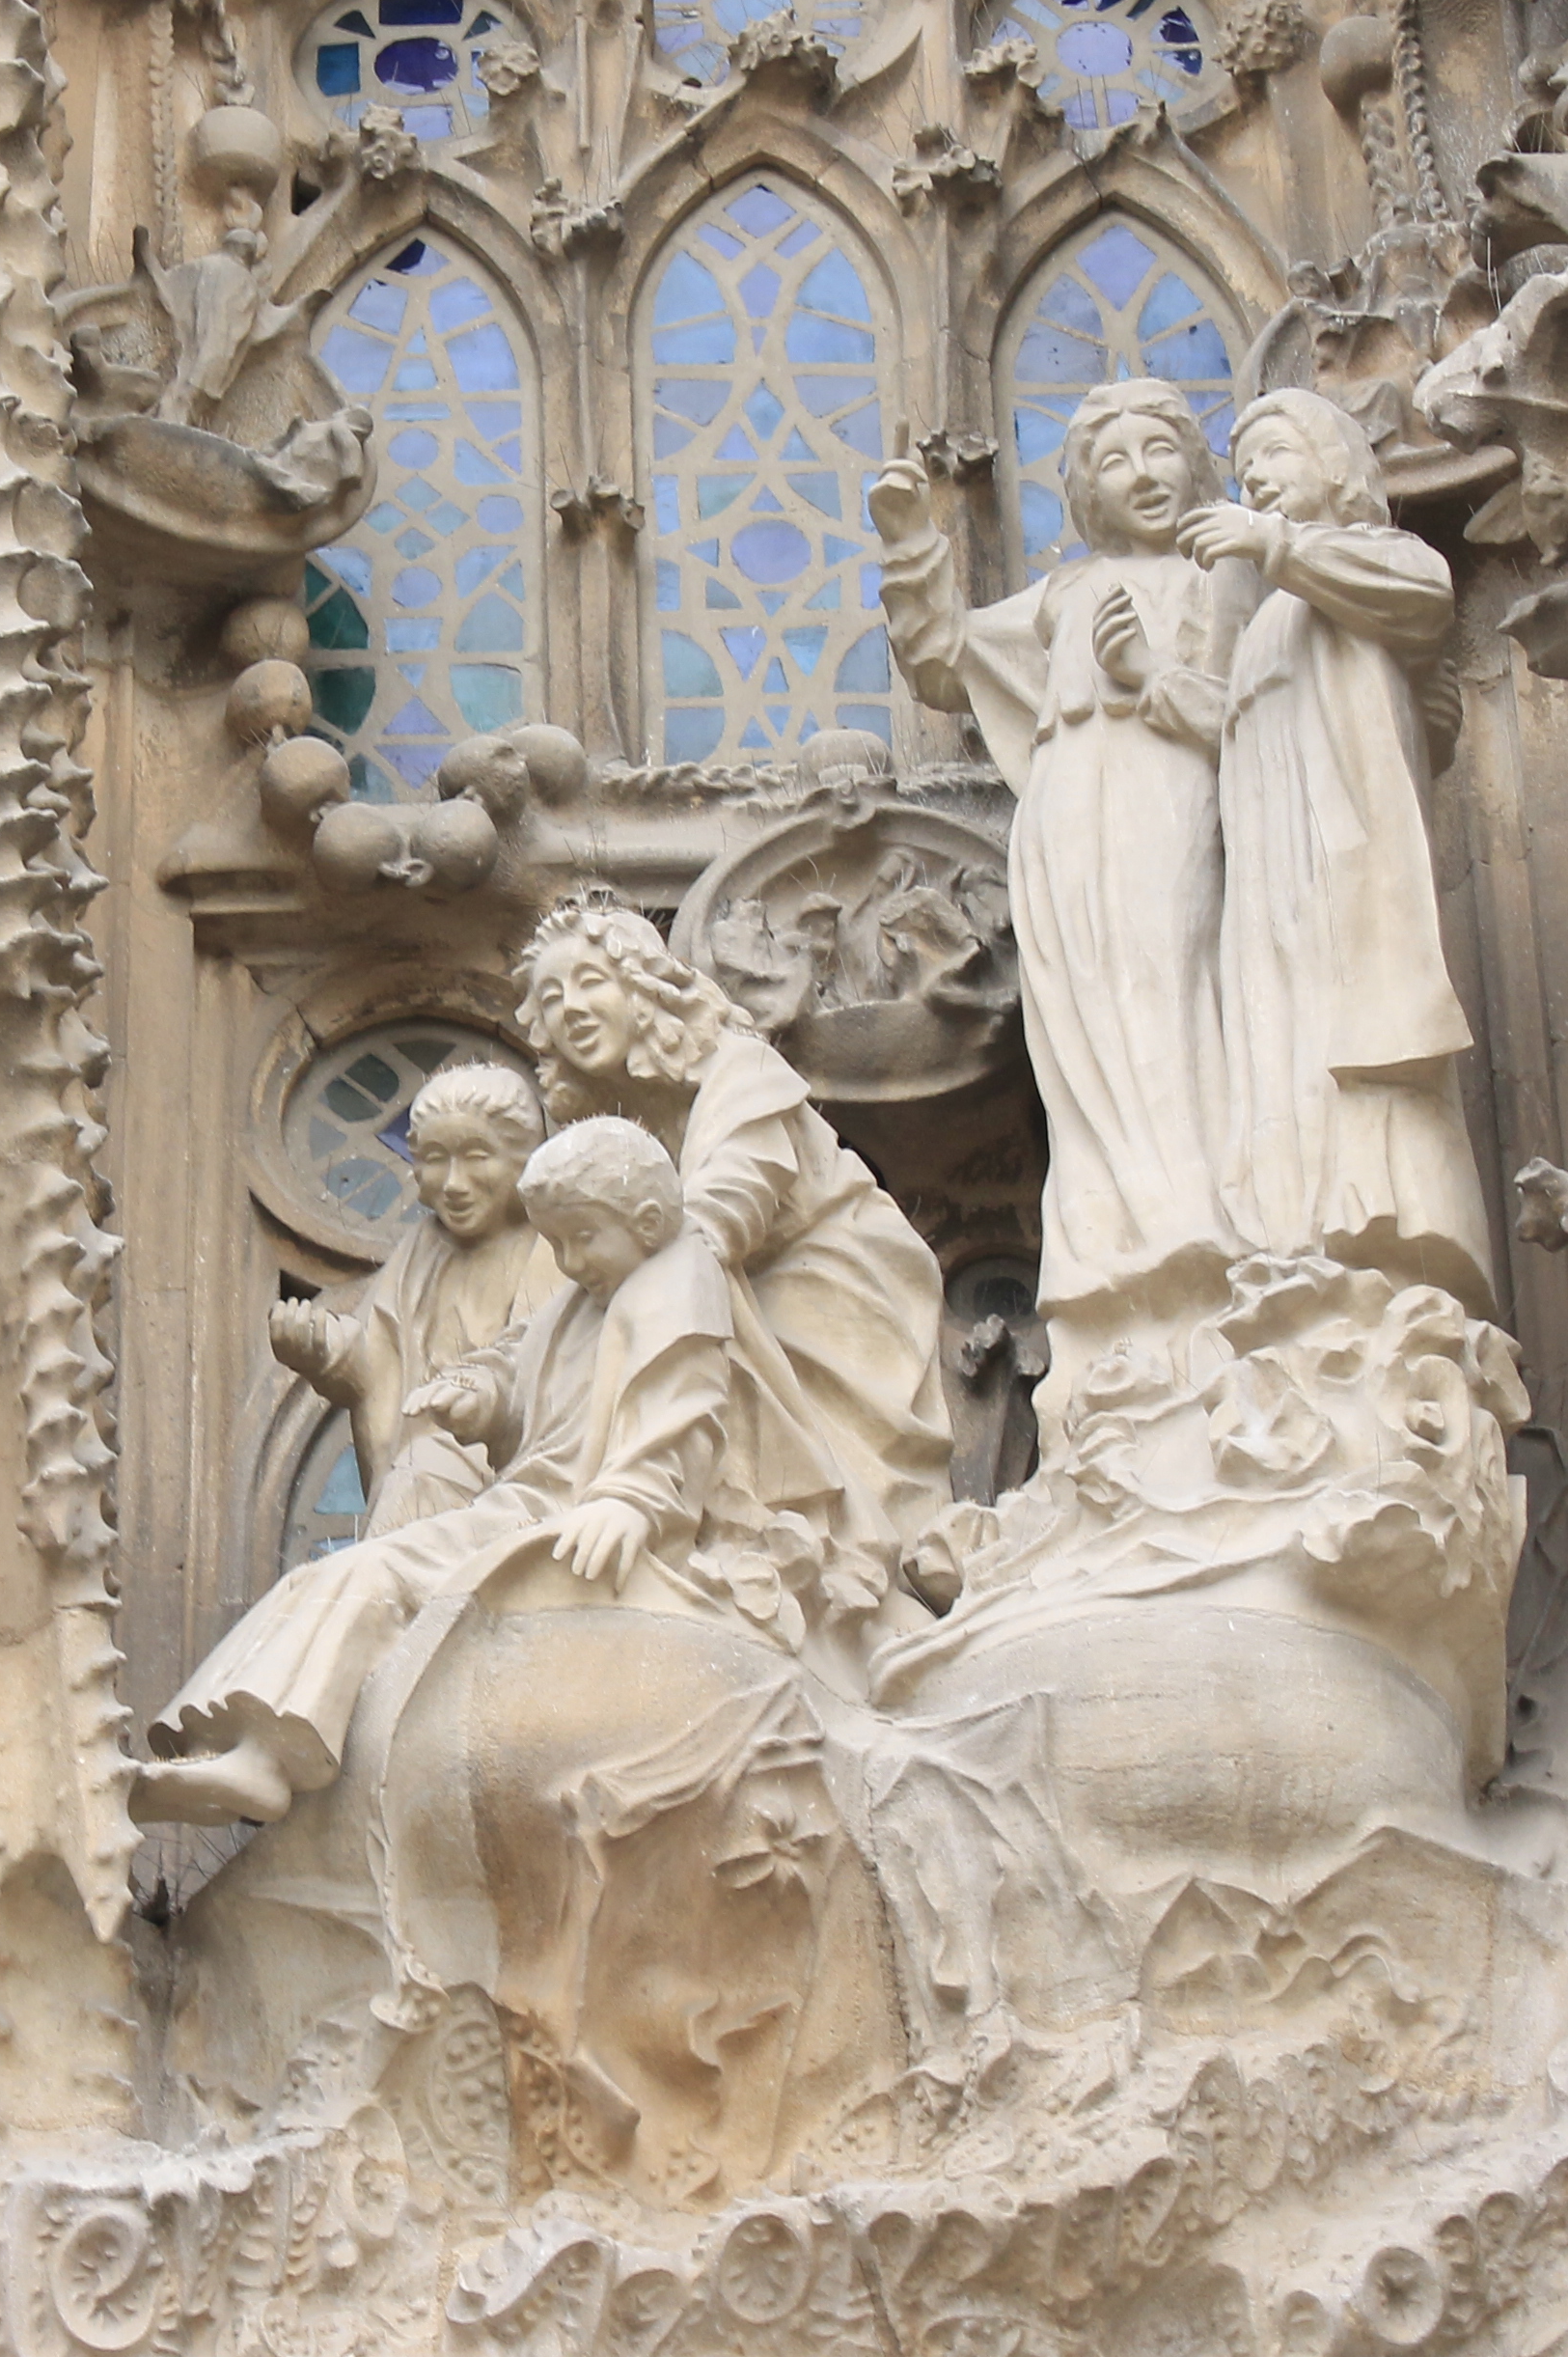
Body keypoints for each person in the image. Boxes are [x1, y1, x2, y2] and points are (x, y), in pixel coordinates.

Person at [135, 1119, 754, 1826]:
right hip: (526, 1510)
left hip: (573, 1532)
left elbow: (685, 1406)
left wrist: (632, 1499)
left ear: (647, 1220)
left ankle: (265, 1761)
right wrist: (477, 1394)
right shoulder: (583, 1302)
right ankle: (244, 1749)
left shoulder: (675, 1280)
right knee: (332, 1574)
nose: (570, 1261)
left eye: (582, 1238)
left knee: (373, 1577)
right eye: (555, 1245)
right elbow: (516, 1366)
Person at [872, 384, 1239, 1339]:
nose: (1143, 474)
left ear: (1197, 466)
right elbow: (942, 653)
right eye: (1113, 460)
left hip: (1173, 800)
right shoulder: (1066, 593)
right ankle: (1116, 1238)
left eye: (1160, 449)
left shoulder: (1222, 578)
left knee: (1170, 991)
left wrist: (1152, 678)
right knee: (1085, 1026)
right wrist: (914, 543)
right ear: (1080, 493)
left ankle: (1198, 1219)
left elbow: (1268, 711)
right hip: (1070, 815)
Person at [511, 894, 953, 1583]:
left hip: (828, 1284)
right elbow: (555, 1289)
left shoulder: (738, 1069)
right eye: (552, 996)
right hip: (706, 1288)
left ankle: (776, 1543)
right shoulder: (600, 1130)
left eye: (592, 982)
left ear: (647, 988)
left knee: (680, 1280)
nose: (571, 1007)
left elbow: (723, 1216)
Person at [1178, 393, 1496, 1311]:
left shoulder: (1378, 559)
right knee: (1278, 1035)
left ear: (1339, 465)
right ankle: (1295, 1227)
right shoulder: (1273, 614)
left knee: (1350, 1033)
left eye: (1276, 454)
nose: (1258, 480)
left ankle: (1389, 1228)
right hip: (1270, 873)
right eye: (1247, 471)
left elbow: (1421, 601)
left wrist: (1272, 545)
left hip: (1343, 855)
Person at [268, 1060, 563, 1529]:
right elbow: (376, 1355)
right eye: (435, 1160)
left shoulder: (556, 1248)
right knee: (415, 1486)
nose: (453, 1184)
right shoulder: (424, 1249)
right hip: (422, 1465)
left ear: (525, 1158)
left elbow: (563, 1377)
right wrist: (322, 1349)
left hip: (512, 1475)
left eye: (476, 1156)